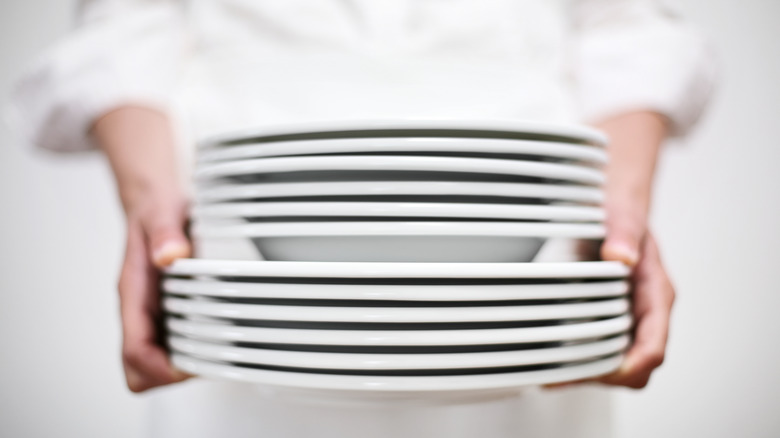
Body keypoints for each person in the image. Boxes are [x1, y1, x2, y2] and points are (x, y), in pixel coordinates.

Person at [12, 0, 715, 437]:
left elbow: (627, 25)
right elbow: (127, 18)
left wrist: (618, 209)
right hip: (252, 282)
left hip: (520, 256)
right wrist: (150, 208)